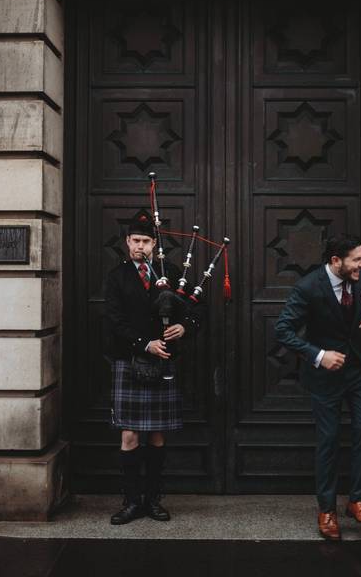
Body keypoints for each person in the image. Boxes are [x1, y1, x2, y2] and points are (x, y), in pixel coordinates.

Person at [275, 234, 361, 540]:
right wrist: (319, 356)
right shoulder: (308, 287)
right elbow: (283, 330)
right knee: (329, 439)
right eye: (356, 259)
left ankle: (357, 499)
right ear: (335, 262)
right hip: (325, 376)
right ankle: (327, 509)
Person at [104, 216, 206, 525]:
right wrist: (143, 344)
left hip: (163, 362)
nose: (140, 246)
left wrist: (183, 327)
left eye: (146, 241)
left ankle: (153, 500)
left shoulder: (172, 273)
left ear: (154, 245)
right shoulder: (117, 276)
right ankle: (132, 501)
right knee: (130, 434)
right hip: (130, 360)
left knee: (158, 435)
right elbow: (113, 320)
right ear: (127, 243)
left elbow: (194, 311)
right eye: (135, 240)